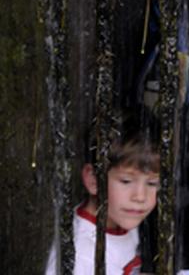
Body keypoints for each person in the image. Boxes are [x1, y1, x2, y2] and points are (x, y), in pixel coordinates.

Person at [46, 111, 160, 275]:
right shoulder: (83, 257)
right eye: (126, 181)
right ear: (93, 180)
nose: (140, 197)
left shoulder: (122, 216)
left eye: (152, 183)